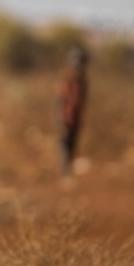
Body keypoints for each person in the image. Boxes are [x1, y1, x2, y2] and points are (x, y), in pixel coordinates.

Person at [56, 45, 89, 177]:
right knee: (65, 142)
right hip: (66, 115)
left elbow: (82, 100)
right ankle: (65, 170)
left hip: (75, 116)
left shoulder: (83, 80)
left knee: (72, 142)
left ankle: (67, 168)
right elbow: (60, 97)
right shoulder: (67, 77)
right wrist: (60, 116)